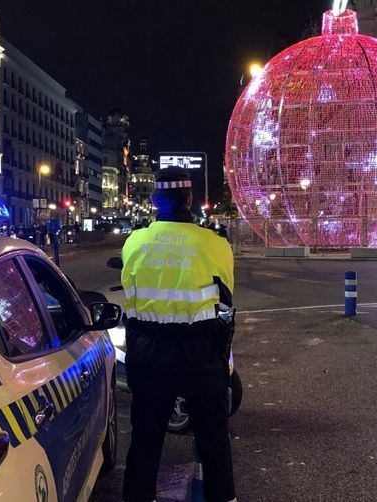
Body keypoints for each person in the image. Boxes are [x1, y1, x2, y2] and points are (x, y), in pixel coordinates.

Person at [121, 167, 237, 502]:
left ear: (155, 200)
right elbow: (226, 300)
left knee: (145, 438)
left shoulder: (135, 243)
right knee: (213, 438)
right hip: (200, 350)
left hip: (149, 351)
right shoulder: (215, 245)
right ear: (189, 199)